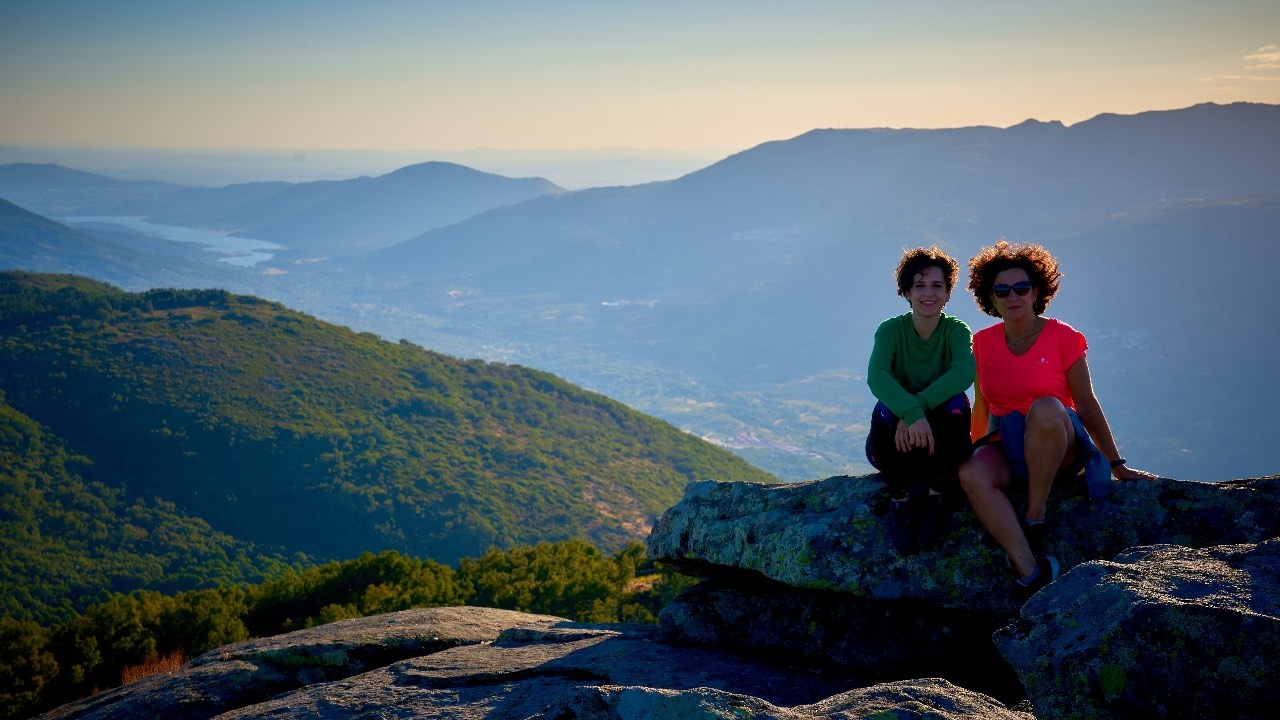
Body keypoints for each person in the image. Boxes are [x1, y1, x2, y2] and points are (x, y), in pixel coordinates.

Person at [959, 239, 1158, 596]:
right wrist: (975, 454)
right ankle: (1030, 571)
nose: (1012, 296)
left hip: (1058, 445)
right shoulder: (982, 343)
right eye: (1001, 290)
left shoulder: (1063, 337)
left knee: (1047, 407)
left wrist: (1117, 464)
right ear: (990, 297)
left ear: (1037, 291)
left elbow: (1086, 403)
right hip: (1008, 443)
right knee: (970, 473)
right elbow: (982, 408)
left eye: (1021, 287)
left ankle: (1034, 514)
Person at [866, 246, 975, 554]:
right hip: (892, 446)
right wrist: (910, 413)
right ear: (907, 292)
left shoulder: (955, 331)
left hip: (940, 445)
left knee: (957, 404)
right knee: (884, 411)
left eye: (937, 286)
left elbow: (963, 374)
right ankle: (899, 500)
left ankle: (936, 495)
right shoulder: (890, 331)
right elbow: (877, 377)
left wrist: (915, 411)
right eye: (920, 285)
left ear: (948, 293)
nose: (929, 293)